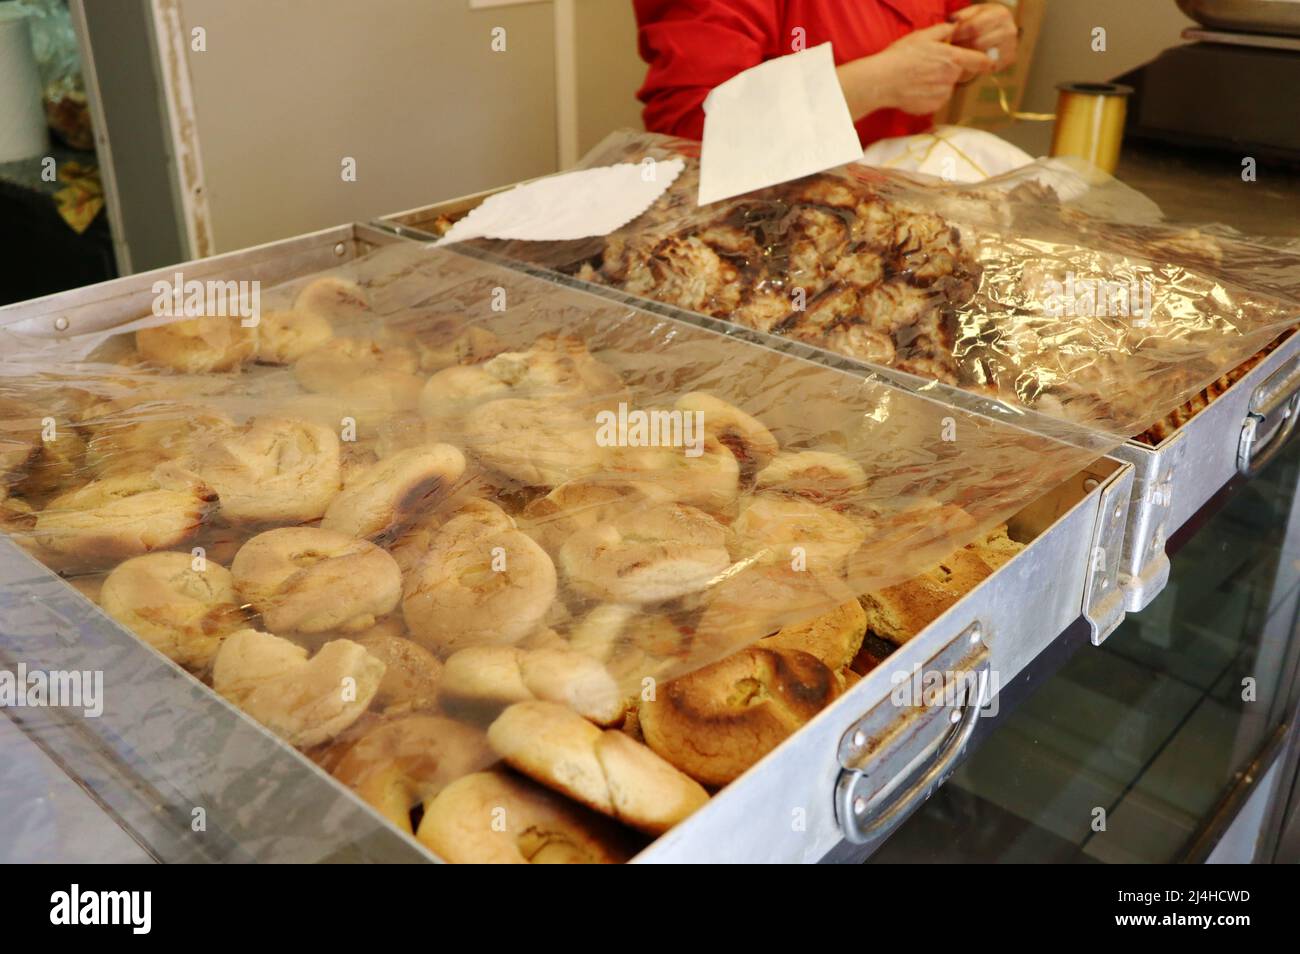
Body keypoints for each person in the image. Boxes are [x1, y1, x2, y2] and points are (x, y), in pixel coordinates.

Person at [634, 1, 1019, 147]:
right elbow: (689, 132)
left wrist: (983, 34)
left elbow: (948, 28)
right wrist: (874, 84)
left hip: (889, 197)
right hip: (770, 219)